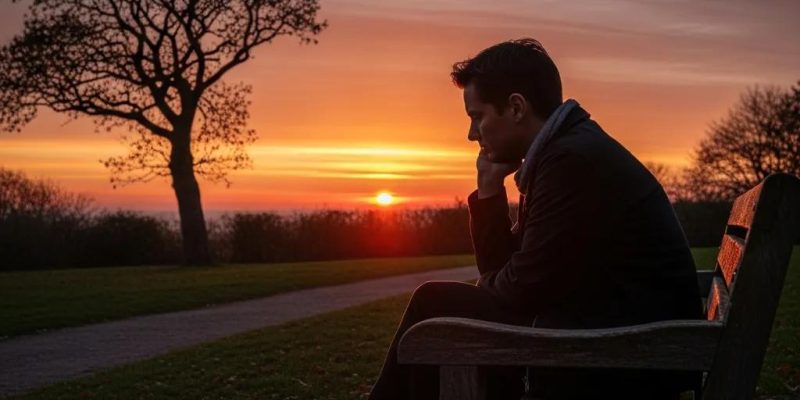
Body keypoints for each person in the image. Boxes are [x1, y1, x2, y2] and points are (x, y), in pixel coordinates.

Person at [367, 38, 703, 400]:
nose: (471, 134)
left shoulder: (571, 162)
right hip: (615, 336)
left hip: (629, 353)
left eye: (477, 116)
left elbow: (519, 292)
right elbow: (507, 274)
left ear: (515, 108)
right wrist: (489, 189)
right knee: (441, 306)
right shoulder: (565, 151)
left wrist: (492, 286)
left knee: (435, 303)